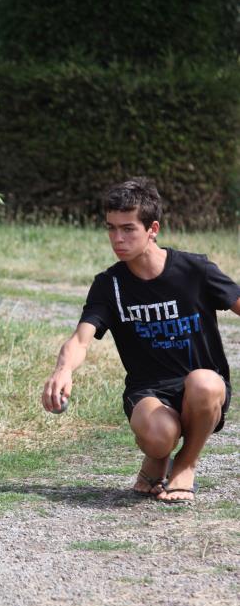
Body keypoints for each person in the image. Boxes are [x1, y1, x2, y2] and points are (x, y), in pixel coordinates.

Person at [42, 178, 240, 504]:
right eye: (111, 229)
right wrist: (63, 370)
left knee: (203, 382)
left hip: (203, 389)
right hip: (148, 391)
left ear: (152, 229)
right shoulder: (110, 285)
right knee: (160, 436)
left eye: (128, 229)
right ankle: (157, 456)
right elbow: (81, 338)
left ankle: (186, 465)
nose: (117, 239)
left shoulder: (195, 270)